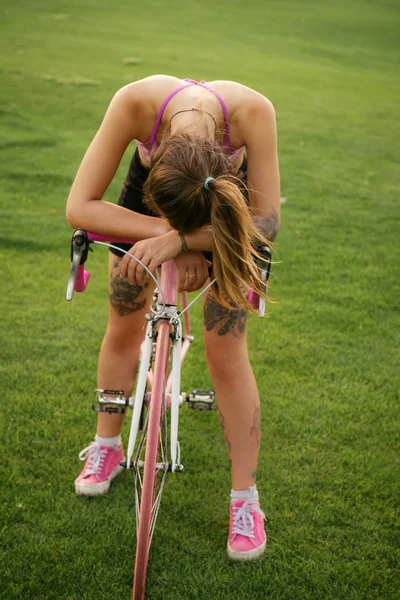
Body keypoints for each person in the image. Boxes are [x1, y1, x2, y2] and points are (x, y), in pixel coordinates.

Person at [66, 75, 280, 560]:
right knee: (122, 325)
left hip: (229, 217)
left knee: (226, 352)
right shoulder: (135, 102)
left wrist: (187, 240)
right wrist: (166, 230)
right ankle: (108, 444)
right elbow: (79, 206)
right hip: (145, 209)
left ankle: (245, 499)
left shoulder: (254, 111)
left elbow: (264, 223)